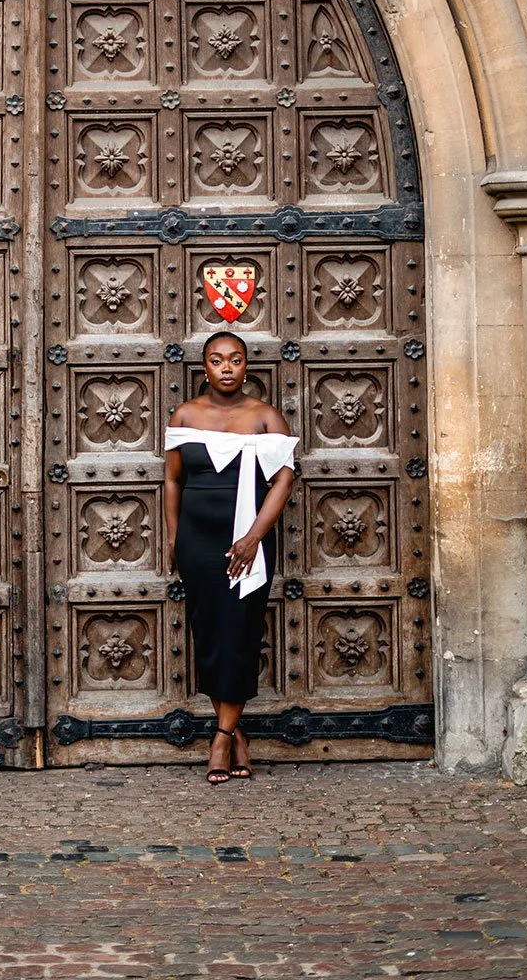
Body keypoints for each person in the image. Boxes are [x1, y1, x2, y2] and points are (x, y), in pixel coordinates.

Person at [164, 331, 297, 785]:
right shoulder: (186, 415)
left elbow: (283, 480)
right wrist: (173, 538)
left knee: (240, 632)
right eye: (217, 360)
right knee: (209, 632)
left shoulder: (265, 418)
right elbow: (173, 481)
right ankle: (235, 731)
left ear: (245, 367)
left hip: (248, 541)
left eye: (235, 360)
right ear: (205, 367)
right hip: (198, 540)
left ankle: (220, 737)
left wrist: (255, 536)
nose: (226, 367)